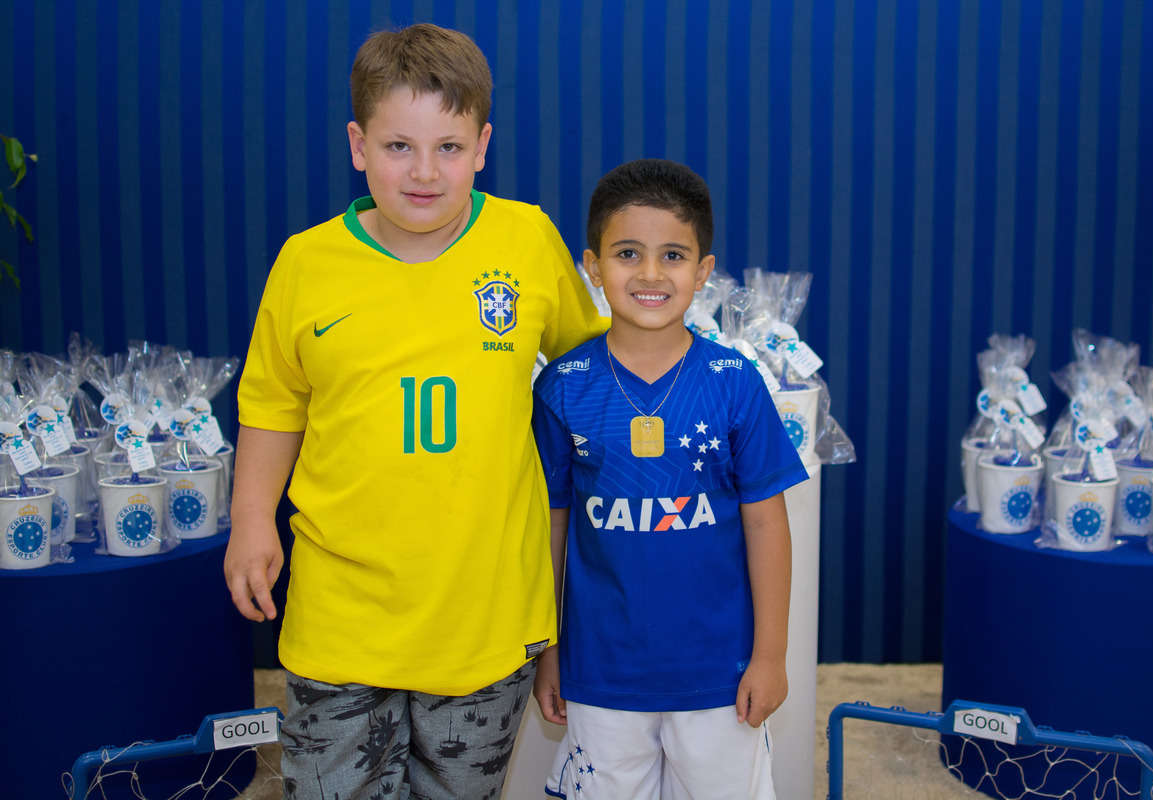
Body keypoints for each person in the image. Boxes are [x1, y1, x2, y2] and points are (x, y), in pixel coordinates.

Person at [224, 23, 606, 800]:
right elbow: (273, 402)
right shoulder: (306, 263)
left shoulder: (526, 240)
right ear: (358, 145)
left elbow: (592, 365)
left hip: (484, 613)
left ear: (483, 146)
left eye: (449, 147)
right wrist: (252, 518)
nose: (425, 172)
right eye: (399, 146)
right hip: (342, 611)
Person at [531, 159, 809, 799]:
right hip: (601, 669)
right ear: (593, 266)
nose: (651, 274)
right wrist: (548, 651)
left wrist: (771, 656)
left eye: (674, 256)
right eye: (628, 253)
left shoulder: (735, 383)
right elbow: (550, 528)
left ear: (703, 271)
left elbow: (767, 524)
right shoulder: (564, 387)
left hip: (720, 672)